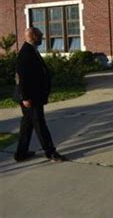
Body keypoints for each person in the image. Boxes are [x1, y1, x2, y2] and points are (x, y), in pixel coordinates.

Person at [14, 27, 66, 162]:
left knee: (27, 125)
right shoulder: (25, 53)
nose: (42, 37)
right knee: (40, 125)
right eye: (40, 35)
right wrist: (25, 97)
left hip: (33, 96)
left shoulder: (31, 50)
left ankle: (21, 153)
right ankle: (50, 152)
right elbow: (21, 77)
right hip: (30, 98)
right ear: (34, 36)